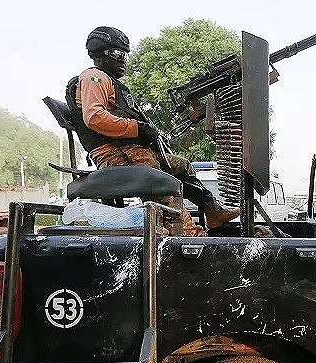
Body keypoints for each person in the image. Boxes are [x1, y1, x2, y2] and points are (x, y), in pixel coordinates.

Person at [66, 26, 240, 235]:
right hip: (116, 154)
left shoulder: (112, 83)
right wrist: (138, 128)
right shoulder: (94, 77)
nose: (124, 60)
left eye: (125, 55)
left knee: (183, 166)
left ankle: (213, 211)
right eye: (118, 54)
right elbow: (94, 118)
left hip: (131, 151)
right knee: (159, 181)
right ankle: (187, 234)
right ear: (100, 54)